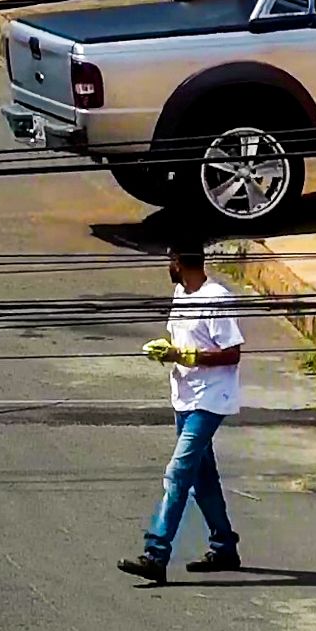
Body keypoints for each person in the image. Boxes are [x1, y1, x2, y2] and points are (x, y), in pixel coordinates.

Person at [117, 241, 244, 584]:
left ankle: (156, 553)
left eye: (170, 258)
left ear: (179, 260)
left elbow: (232, 353)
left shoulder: (216, 298)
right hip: (185, 397)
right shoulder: (180, 293)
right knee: (202, 479)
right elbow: (182, 340)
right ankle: (224, 547)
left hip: (210, 399)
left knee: (178, 474)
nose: (167, 265)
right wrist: (169, 352)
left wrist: (188, 356)